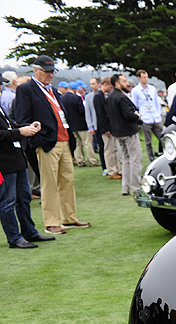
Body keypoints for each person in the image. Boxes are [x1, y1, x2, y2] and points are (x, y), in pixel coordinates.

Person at [13, 54, 90, 235]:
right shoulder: (26, 89)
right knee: (49, 183)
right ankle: (51, 222)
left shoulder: (54, 91)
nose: (50, 75)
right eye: (46, 71)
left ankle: (69, 218)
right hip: (47, 143)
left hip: (64, 141)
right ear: (36, 70)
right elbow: (22, 119)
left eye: (52, 71)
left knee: (67, 181)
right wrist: (37, 140)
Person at [0, 105, 54, 248]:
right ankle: (14, 238)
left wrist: (27, 127)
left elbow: (10, 126)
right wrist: (20, 132)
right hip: (4, 163)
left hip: (16, 160)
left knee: (24, 198)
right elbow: (3, 133)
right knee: (7, 201)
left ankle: (29, 232)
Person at [107, 73, 142, 196]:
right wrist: (137, 116)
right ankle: (137, 188)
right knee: (135, 160)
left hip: (118, 133)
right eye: (124, 81)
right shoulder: (121, 97)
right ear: (117, 83)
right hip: (128, 132)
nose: (127, 83)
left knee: (126, 160)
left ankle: (125, 187)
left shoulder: (111, 97)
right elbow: (128, 115)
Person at [131, 69, 163, 161]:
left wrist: (159, 113)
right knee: (148, 141)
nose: (146, 79)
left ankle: (164, 156)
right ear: (139, 78)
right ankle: (152, 159)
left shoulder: (152, 88)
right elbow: (134, 104)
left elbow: (156, 102)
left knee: (162, 137)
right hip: (145, 118)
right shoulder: (135, 90)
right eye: (144, 77)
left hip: (155, 117)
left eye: (146, 77)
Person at [95, 76, 120, 179]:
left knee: (114, 149)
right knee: (109, 150)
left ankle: (116, 170)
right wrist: (106, 129)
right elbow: (100, 114)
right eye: (110, 86)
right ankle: (111, 171)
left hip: (111, 127)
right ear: (105, 84)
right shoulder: (98, 96)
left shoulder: (105, 95)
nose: (111, 88)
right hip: (105, 129)